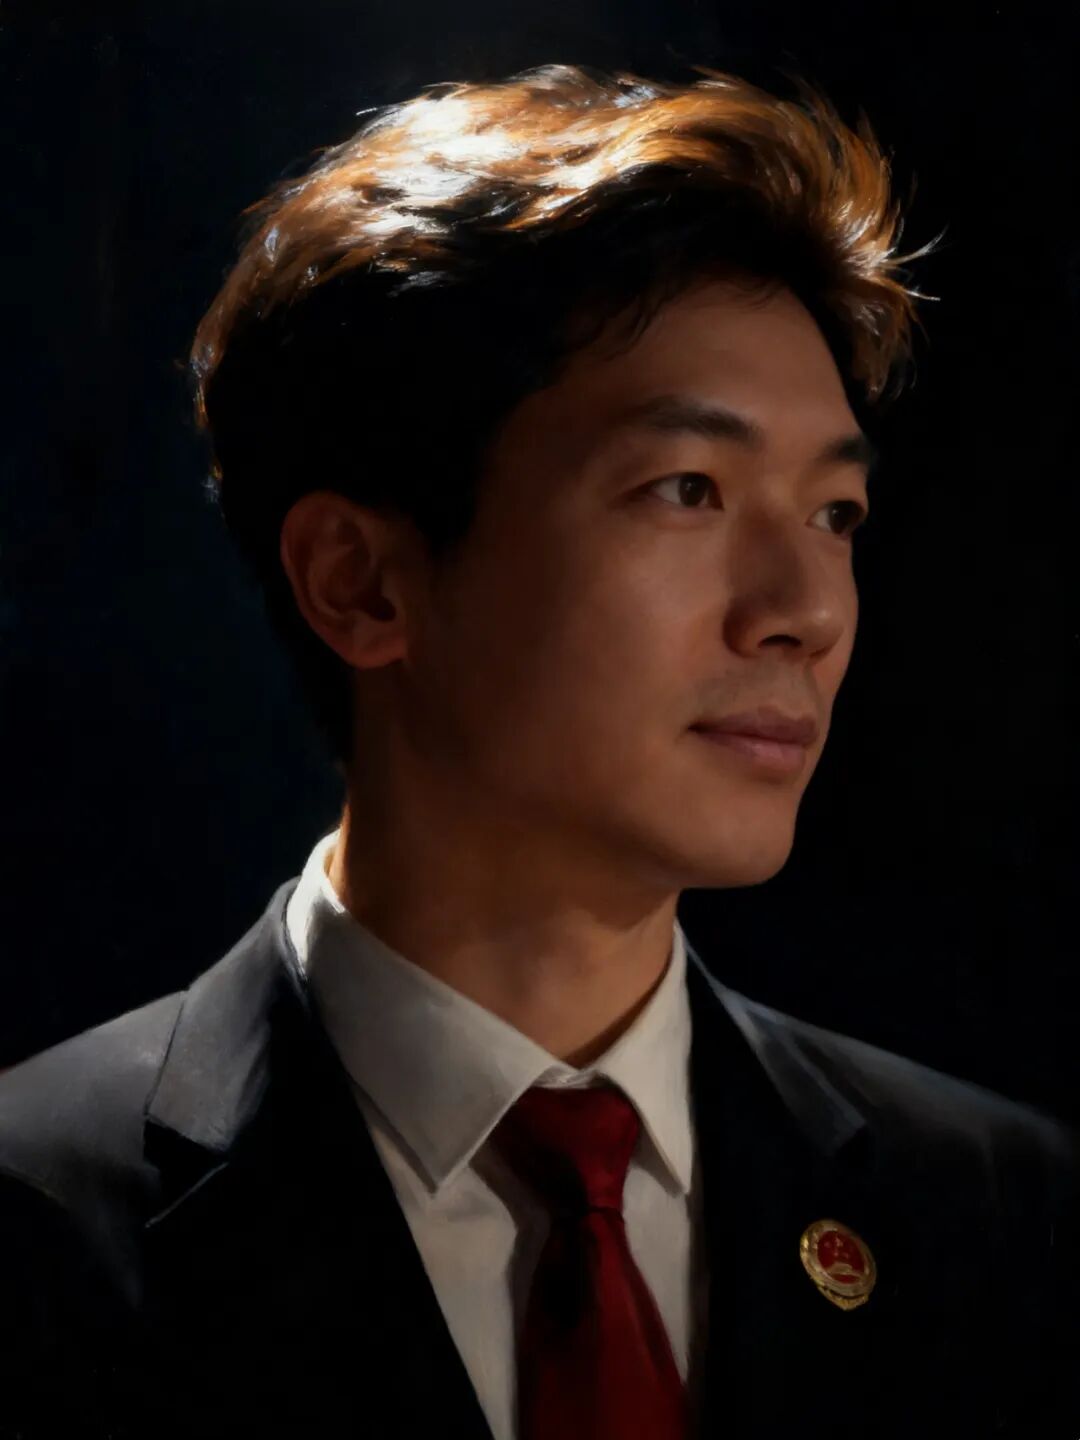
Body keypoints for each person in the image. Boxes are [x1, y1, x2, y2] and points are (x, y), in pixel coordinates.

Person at [0, 62, 1076, 1440]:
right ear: (361, 582)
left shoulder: (1004, 1220)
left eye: (835, 514)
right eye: (687, 489)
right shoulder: (35, 1231)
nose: (805, 613)